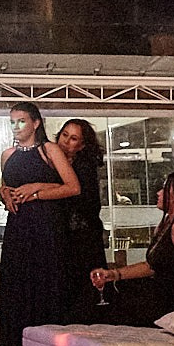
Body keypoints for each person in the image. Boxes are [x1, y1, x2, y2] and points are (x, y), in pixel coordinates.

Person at [0, 103, 82, 346]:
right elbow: (6, 187)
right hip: (18, 228)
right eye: (12, 122)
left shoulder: (50, 150)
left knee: (45, 290)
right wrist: (5, 194)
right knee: (16, 292)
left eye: (21, 121)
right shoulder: (7, 154)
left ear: (35, 123)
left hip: (46, 227)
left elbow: (72, 187)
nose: (16, 127)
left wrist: (36, 191)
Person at [91, 172, 174, 324]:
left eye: (164, 188)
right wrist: (114, 274)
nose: (158, 193)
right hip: (160, 297)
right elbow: (152, 266)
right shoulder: (166, 225)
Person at [54, 118, 107, 315]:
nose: (66, 141)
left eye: (73, 138)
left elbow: (84, 201)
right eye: (64, 135)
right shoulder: (51, 160)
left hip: (82, 239)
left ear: (82, 145)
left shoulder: (84, 167)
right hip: (62, 235)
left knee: (82, 293)